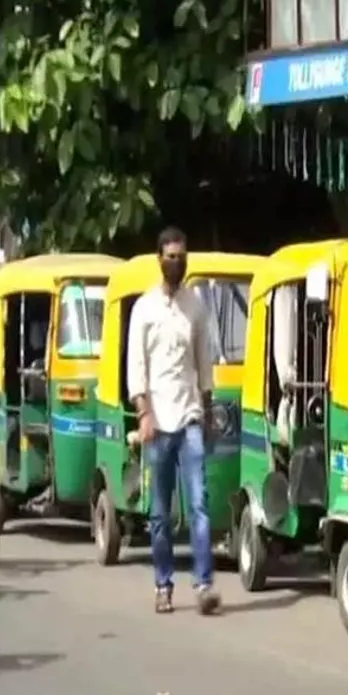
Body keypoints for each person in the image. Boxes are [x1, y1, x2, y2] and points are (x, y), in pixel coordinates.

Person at [127, 227, 220, 615]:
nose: (176, 262)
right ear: (158, 259)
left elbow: (203, 365)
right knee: (160, 513)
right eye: (170, 256)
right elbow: (137, 367)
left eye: (181, 256)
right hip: (158, 424)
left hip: (190, 419)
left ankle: (203, 585)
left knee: (199, 504)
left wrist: (209, 410)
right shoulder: (144, 309)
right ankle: (163, 584)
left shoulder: (195, 306)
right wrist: (144, 413)